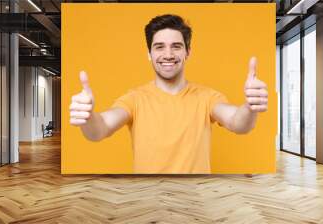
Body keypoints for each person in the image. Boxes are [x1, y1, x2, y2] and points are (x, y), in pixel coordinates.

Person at [69, 14, 268, 174]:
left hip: (196, 201)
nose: (168, 55)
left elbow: (238, 123)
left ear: (188, 52)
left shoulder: (207, 97)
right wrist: (87, 117)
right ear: (149, 54)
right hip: (149, 203)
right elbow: (100, 129)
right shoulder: (134, 99)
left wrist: (250, 107)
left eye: (176, 46)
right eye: (159, 47)